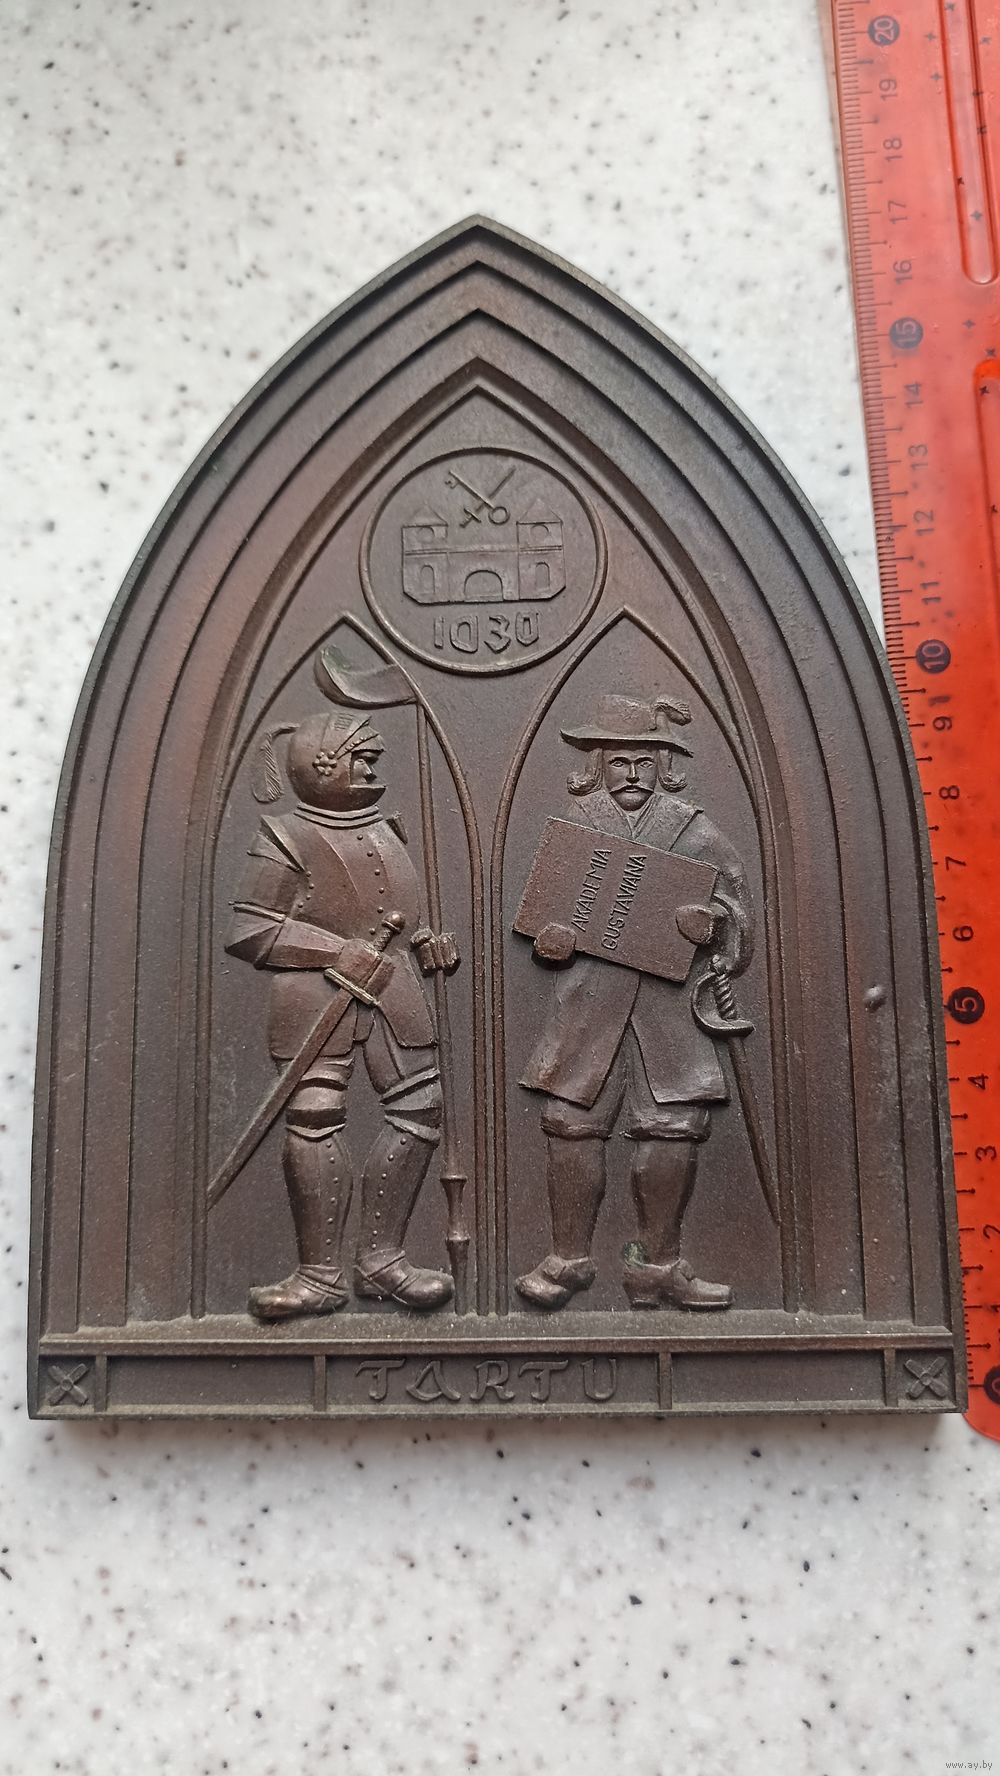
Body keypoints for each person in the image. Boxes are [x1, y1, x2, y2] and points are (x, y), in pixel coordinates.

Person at [517, 693, 754, 1311]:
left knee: (672, 1130)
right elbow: (545, 914)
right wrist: (551, 941)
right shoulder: (577, 825)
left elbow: (736, 906)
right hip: (589, 1004)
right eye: (619, 762)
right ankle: (568, 1259)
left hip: (667, 1010)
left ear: (662, 765)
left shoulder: (692, 829)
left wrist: (714, 924)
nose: (631, 774)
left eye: (643, 762)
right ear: (598, 764)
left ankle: (658, 1267)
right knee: (571, 1126)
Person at [225, 707, 458, 1319]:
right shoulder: (285, 837)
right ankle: (318, 1276)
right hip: (315, 998)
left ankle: (381, 1261)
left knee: (420, 1109)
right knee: (315, 1115)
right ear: (322, 764)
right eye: (362, 760)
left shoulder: (390, 830)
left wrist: (429, 945)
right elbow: (250, 930)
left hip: (394, 990)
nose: (373, 771)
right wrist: (334, 951)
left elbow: (402, 917)